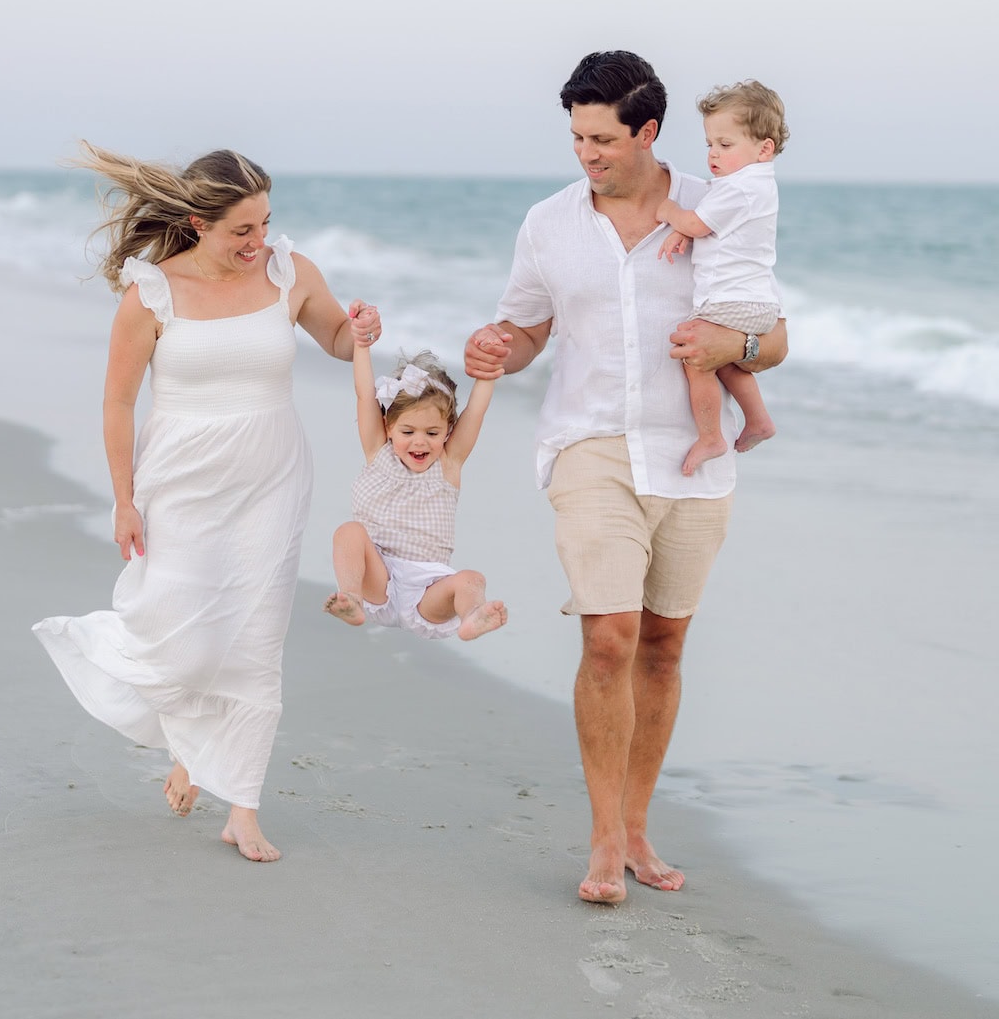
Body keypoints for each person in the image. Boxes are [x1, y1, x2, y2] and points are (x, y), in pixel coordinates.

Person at [465, 51, 787, 904]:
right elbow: (524, 328)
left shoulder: (721, 203)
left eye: (602, 138)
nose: (587, 154)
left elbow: (773, 337)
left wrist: (732, 348)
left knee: (664, 642)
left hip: (692, 452)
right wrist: (494, 346)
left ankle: (639, 824)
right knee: (608, 635)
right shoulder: (549, 223)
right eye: (576, 137)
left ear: (648, 130)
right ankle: (604, 838)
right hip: (590, 442)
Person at [32, 145, 380, 864]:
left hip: (273, 476)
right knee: (184, 641)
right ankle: (186, 741)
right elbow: (118, 400)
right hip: (181, 478)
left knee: (254, 638)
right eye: (241, 232)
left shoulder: (290, 271)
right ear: (198, 223)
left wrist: (361, 332)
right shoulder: (151, 293)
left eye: (265, 224)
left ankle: (243, 808)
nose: (258, 243)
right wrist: (124, 499)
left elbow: (338, 341)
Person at [322, 339, 509, 642]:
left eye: (432, 433)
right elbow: (363, 394)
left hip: (428, 589)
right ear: (388, 426)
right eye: (408, 432)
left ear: (448, 431)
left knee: (472, 580)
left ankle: (473, 615)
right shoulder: (377, 451)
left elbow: (475, 412)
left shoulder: (449, 463)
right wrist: (361, 344)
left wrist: (487, 373)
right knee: (348, 532)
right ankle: (351, 598)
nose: (419, 442)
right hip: (377, 576)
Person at [655, 80, 789, 471]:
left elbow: (699, 222)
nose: (713, 154)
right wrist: (688, 226)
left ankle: (711, 437)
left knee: (696, 357)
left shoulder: (741, 189)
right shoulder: (752, 185)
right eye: (710, 144)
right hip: (755, 302)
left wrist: (669, 213)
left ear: (764, 148)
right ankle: (759, 419)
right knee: (724, 361)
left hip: (732, 300)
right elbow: (713, 226)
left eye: (725, 145)